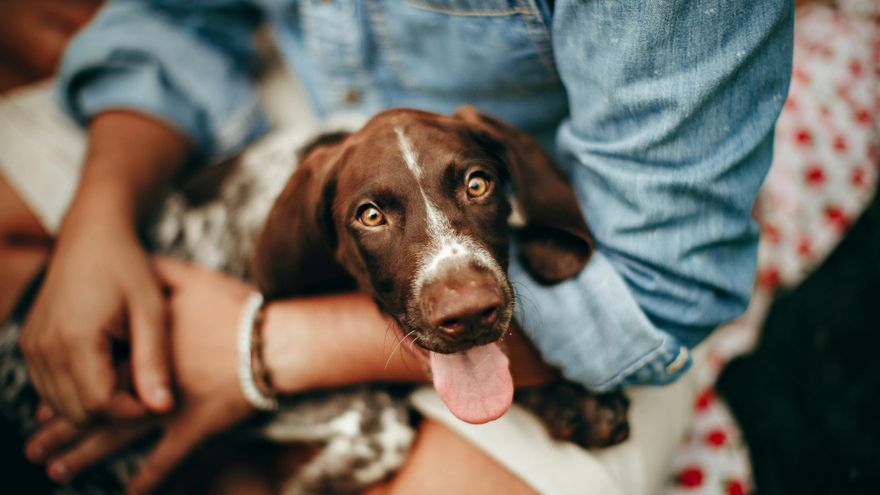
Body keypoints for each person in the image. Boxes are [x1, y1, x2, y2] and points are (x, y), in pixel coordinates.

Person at [0, 0, 794, 493]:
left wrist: (253, 351)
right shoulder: (307, 196)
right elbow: (176, 21)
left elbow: (661, 282)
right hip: (292, 127)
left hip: (587, 206)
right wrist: (93, 230)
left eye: (476, 187)